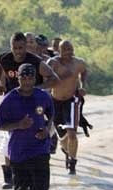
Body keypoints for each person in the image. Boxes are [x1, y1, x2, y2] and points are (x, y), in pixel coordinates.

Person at [0, 63, 54, 190]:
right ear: (18, 78)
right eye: (24, 77)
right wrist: (18, 125)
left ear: (35, 79)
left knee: (40, 186)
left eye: (30, 77)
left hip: (40, 148)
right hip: (18, 150)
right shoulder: (10, 99)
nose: (27, 80)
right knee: (20, 188)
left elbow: (50, 116)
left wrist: (46, 130)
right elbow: (0, 125)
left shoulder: (42, 96)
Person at [0, 31, 59, 189]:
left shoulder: (35, 62)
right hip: (13, 101)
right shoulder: (4, 59)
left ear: (25, 47)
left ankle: (41, 160)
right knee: (10, 137)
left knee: (35, 134)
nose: (18, 51)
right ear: (11, 47)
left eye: (21, 47)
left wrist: (35, 88)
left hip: (33, 102)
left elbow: (54, 79)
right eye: (15, 48)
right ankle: (10, 177)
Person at [47, 40, 88, 175]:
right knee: (62, 135)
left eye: (70, 49)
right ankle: (66, 150)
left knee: (71, 132)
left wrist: (82, 86)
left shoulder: (78, 63)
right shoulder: (52, 63)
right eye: (65, 50)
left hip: (72, 100)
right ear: (58, 51)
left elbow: (84, 72)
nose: (68, 52)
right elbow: (45, 79)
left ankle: (72, 162)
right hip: (55, 101)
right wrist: (58, 77)